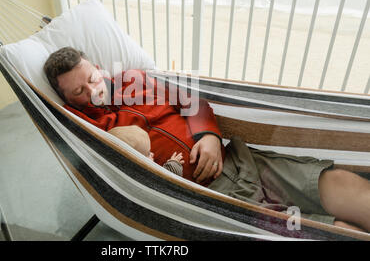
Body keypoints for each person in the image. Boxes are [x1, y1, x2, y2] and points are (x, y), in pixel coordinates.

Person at [43, 47, 370, 233]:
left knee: (337, 182)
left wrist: (210, 136)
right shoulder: (87, 122)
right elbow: (119, 145)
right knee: (329, 232)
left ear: (99, 67)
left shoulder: (135, 79)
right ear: (70, 102)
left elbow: (193, 101)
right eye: (79, 91)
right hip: (213, 202)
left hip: (238, 161)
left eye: (91, 78)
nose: (92, 89)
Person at [108, 125, 184, 176]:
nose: (152, 154)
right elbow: (168, 178)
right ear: (135, 163)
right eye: (147, 154)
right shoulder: (146, 177)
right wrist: (174, 164)